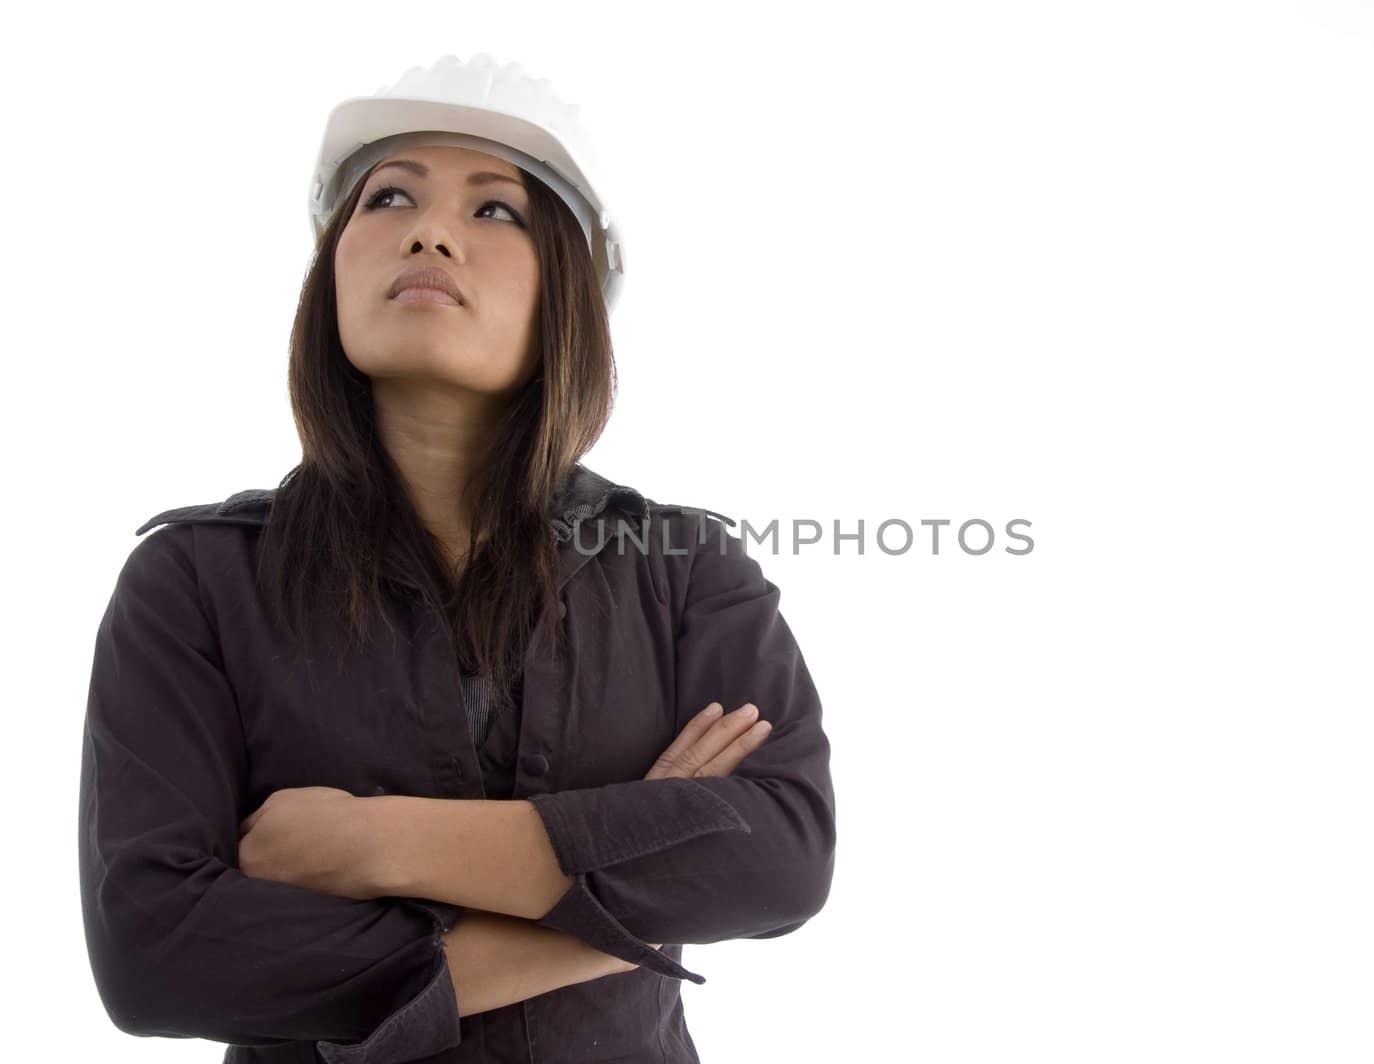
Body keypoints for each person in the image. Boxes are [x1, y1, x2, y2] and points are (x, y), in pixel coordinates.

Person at [77, 53, 836, 1064]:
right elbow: (157, 957)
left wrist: (371, 842)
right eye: (388, 197)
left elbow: (780, 853)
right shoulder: (193, 582)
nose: (430, 230)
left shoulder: (684, 566)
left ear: (568, 289)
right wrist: (626, 892)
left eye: (497, 211)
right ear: (333, 268)